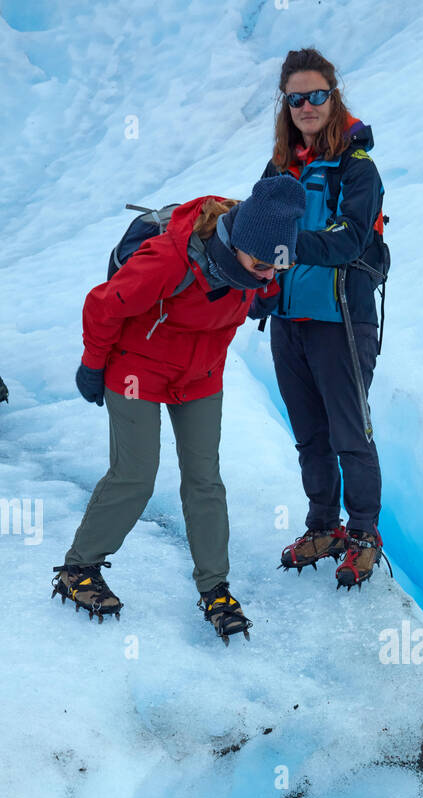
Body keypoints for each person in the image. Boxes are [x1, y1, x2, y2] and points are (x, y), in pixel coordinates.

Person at [53, 177, 305, 642]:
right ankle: (78, 568)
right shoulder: (169, 260)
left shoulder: (260, 261)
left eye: (277, 266)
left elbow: (265, 286)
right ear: (236, 244)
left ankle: (215, 588)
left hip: (200, 375)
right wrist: (92, 365)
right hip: (135, 370)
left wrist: (267, 289)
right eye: (263, 266)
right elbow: (103, 306)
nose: (270, 274)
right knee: (135, 474)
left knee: (204, 479)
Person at [258, 47, 387, 588]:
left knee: (349, 434)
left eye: (316, 95)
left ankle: (363, 534)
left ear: (334, 98)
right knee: (310, 436)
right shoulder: (280, 166)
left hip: (341, 322)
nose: (306, 106)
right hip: (290, 323)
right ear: (285, 106)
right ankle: (323, 526)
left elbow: (349, 240)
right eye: (296, 98)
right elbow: (258, 233)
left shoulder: (357, 169)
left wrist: (284, 245)